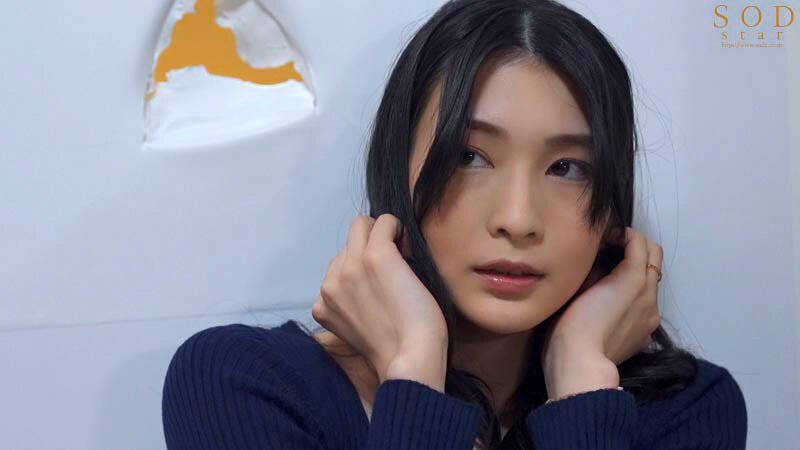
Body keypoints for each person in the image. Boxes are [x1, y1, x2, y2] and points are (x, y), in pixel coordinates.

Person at [161, 0, 748, 448]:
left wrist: (584, 384)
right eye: (470, 156)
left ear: (613, 207)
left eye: (567, 168)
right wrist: (415, 372)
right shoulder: (244, 385)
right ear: (397, 170)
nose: (518, 220)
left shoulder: (688, 411)